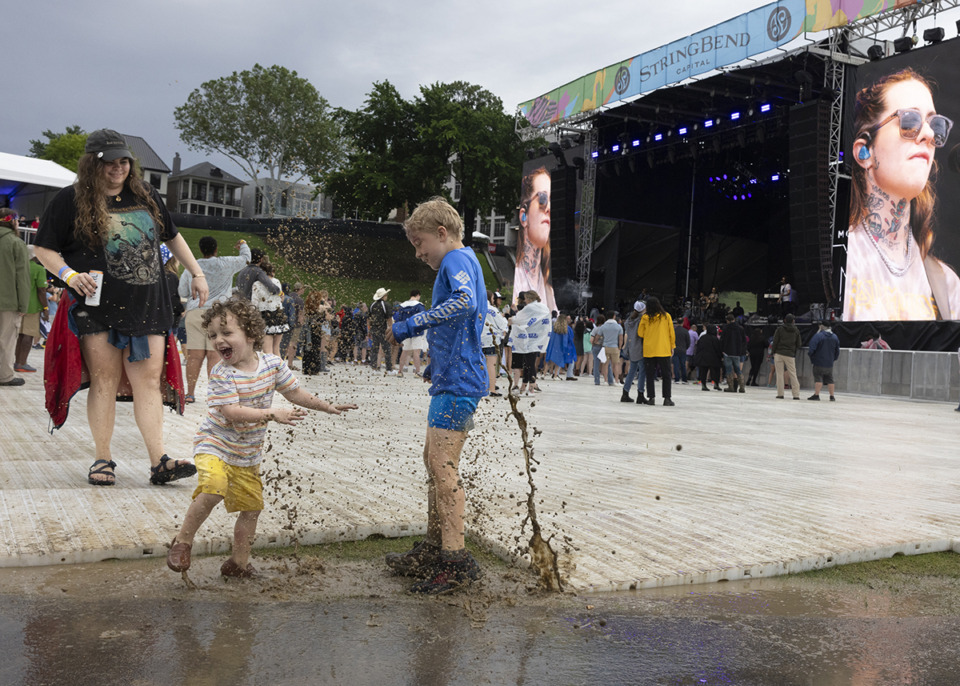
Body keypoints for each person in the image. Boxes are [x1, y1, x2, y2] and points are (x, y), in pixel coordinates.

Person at [33, 129, 209, 486]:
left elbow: (172, 236)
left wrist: (197, 273)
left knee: (147, 382)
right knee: (105, 381)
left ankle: (159, 460)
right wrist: (69, 275)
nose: (118, 168)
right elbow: (44, 249)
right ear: (91, 164)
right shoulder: (69, 200)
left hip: (148, 304)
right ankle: (102, 458)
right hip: (96, 307)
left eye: (123, 161)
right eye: (109, 162)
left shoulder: (146, 195)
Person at [166, 297, 356, 579]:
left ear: (252, 335)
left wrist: (325, 406)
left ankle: (238, 565)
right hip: (215, 444)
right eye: (214, 335)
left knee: (251, 509)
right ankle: (182, 541)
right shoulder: (221, 372)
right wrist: (270, 414)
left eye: (227, 333)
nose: (219, 341)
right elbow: (230, 412)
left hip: (247, 453)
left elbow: (294, 393)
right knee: (214, 486)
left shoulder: (272, 364)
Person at [384, 197, 487, 594]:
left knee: (444, 471)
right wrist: (435, 365)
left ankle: (455, 562)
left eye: (419, 242)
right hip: (452, 379)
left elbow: (465, 304)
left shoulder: (455, 261)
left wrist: (412, 323)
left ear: (442, 234)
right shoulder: (463, 261)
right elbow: (460, 319)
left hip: (460, 383)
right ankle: (434, 547)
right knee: (434, 464)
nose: (418, 252)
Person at [843, 67, 959, 321]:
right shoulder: (840, 260)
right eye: (910, 121)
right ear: (865, 152)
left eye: (935, 125)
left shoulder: (947, 285)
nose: (928, 135)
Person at [179, 236, 251, 402]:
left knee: (194, 356)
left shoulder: (192, 266)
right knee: (214, 356)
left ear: (201, 249)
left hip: (195, 312)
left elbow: (183, 291)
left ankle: (190, 394)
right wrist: (243, 244)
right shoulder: (225, 263)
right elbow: (246, 259)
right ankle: (214, 394)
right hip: (218, 314)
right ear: (216, 249)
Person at [514, 167, 557, 313]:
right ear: (523, 216)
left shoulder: (548, 291)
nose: (548, 209)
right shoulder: (518, 280)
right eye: (543, 199)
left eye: (553, 202)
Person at [0, 211, 30, 387]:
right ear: (14, 222)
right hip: (8, 301)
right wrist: (23, 304)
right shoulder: (16, 243)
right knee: (6, 340)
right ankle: (4, 376)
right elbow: (22, 278)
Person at [14, 245, 49, 374]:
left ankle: (17, 361)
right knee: (28, 336)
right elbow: (41, 290)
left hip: (18, 306)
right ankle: (22, 363)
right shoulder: (39, 269)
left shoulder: (20, 266)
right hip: (32, 307)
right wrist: (45, 308)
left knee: (20, 336)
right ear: (35, 256)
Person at [509, 291, 551, 394]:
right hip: (538, 340)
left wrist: (511, 320)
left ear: (529, 298)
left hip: (529, 341)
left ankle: (527, 388)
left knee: (528, 365)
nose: (525, 301)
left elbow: (520, 319)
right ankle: (529, 387)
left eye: (526, 298)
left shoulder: (530, 308)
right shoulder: (543, 307)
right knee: (531, 364)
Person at [637, 296, 676, 406]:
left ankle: (651, 398)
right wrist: (672, 346)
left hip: (649, 350)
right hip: (663, 349)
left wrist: (649, 335)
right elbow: (671, 333)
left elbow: (640, 333)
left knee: (650, 375)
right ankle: (667, 398)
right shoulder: (666, 316)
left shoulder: (645, 317)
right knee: (666, 375)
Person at [251, 260, 286, 355]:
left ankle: (272, 370)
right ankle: (280, 369)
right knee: (276, 349)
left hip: (265, 316)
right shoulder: (277, 281)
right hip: (279, 314)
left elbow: (254, 303)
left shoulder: (257, 284)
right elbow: (281, 299)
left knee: (267, 351)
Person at [395, 290, 428, 377]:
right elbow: (423, 318)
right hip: (416, 331)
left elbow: (399, 319)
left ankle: (400, 371)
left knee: (404, 351)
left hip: (405, 330)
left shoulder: (402, 306)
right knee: (416, 352)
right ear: (418, 295)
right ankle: (417, 372)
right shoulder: (419, 305)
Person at [481, 290, 508, 395]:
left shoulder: (476, 308)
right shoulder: (492, 310)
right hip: (491, 340)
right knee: (491, 365)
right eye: (493, 297)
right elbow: (502, 324)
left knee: (479, 364)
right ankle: (492, 389)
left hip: (478, 340)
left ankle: (482, 387)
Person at [621, 301, 647, 404]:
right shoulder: (641, 320)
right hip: (640, 348)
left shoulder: (629, 320)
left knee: (632, 371)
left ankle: (625, 393)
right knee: (642, 372)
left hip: (631, 348)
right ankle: (640, 394)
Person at [807, 322, 840, 401]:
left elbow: (812, 348)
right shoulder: (835, 337)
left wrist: (811, 356)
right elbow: (837, 350)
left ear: (821, 326)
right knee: (830, 379)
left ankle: (816, 394)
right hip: (829, 363)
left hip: (818, 361)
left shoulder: (818, 336)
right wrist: (833, 359)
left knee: (818, 378)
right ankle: (832, 396)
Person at [772, 313, 802, 400]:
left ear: (784, 320)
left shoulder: (780, 329)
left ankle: (780, 394)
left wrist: (773, 352)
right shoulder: (796, 330)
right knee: (793, 374)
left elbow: (775, 341)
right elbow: (799, 344)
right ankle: (796, 394)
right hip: (790, 354)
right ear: (793, 321)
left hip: (779, 353)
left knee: (779, 374)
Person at [592, 310, 623, 386]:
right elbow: (621, 338)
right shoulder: (618, 327)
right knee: (615, 364)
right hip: (615, 347)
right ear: (614, 316)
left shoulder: (603, 326)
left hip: (605, 346)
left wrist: (595, 342)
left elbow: (597, 336)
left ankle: (605, 380)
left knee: (605, 364)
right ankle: (616, 381)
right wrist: (619, 347)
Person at [544, 313, 576, 380]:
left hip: (552, 346)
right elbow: (567, 339)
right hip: (560, 347)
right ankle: (556, 375)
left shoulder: (553, 327)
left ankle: (543, 374)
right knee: (558, 362)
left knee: (550, 361)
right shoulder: (566, 329)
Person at [720, 313, 747, 393]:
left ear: (727, 320)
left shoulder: (725, 328)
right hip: (737, 353)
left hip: (727, 352)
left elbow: (722, 340)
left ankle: (730, 387)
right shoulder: (740, 328)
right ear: (734, 319)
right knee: (738, 370)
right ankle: (742, 387)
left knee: (728, 370)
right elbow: (744, 341)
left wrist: (722, 350)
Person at [368, 287, 393, 372]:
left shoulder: (372, 305)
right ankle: (389, 369)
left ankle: (374, 368)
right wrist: (391, 328)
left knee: (374, 349)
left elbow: (369, 319)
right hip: (384, 330)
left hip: (374, 329)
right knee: (387, 349)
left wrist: (369, 329)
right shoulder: (386, 305)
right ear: (384, 296)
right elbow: (389, 318)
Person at [693, 324, 723, 391]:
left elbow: (698, 347)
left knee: (703, 371)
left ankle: (704, 385)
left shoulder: (702, 337)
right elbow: (718, 349)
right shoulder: (715, 339)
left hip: (703, 357)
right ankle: (716, 384)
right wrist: (721, 356)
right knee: (716, 372)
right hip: (714, 358)